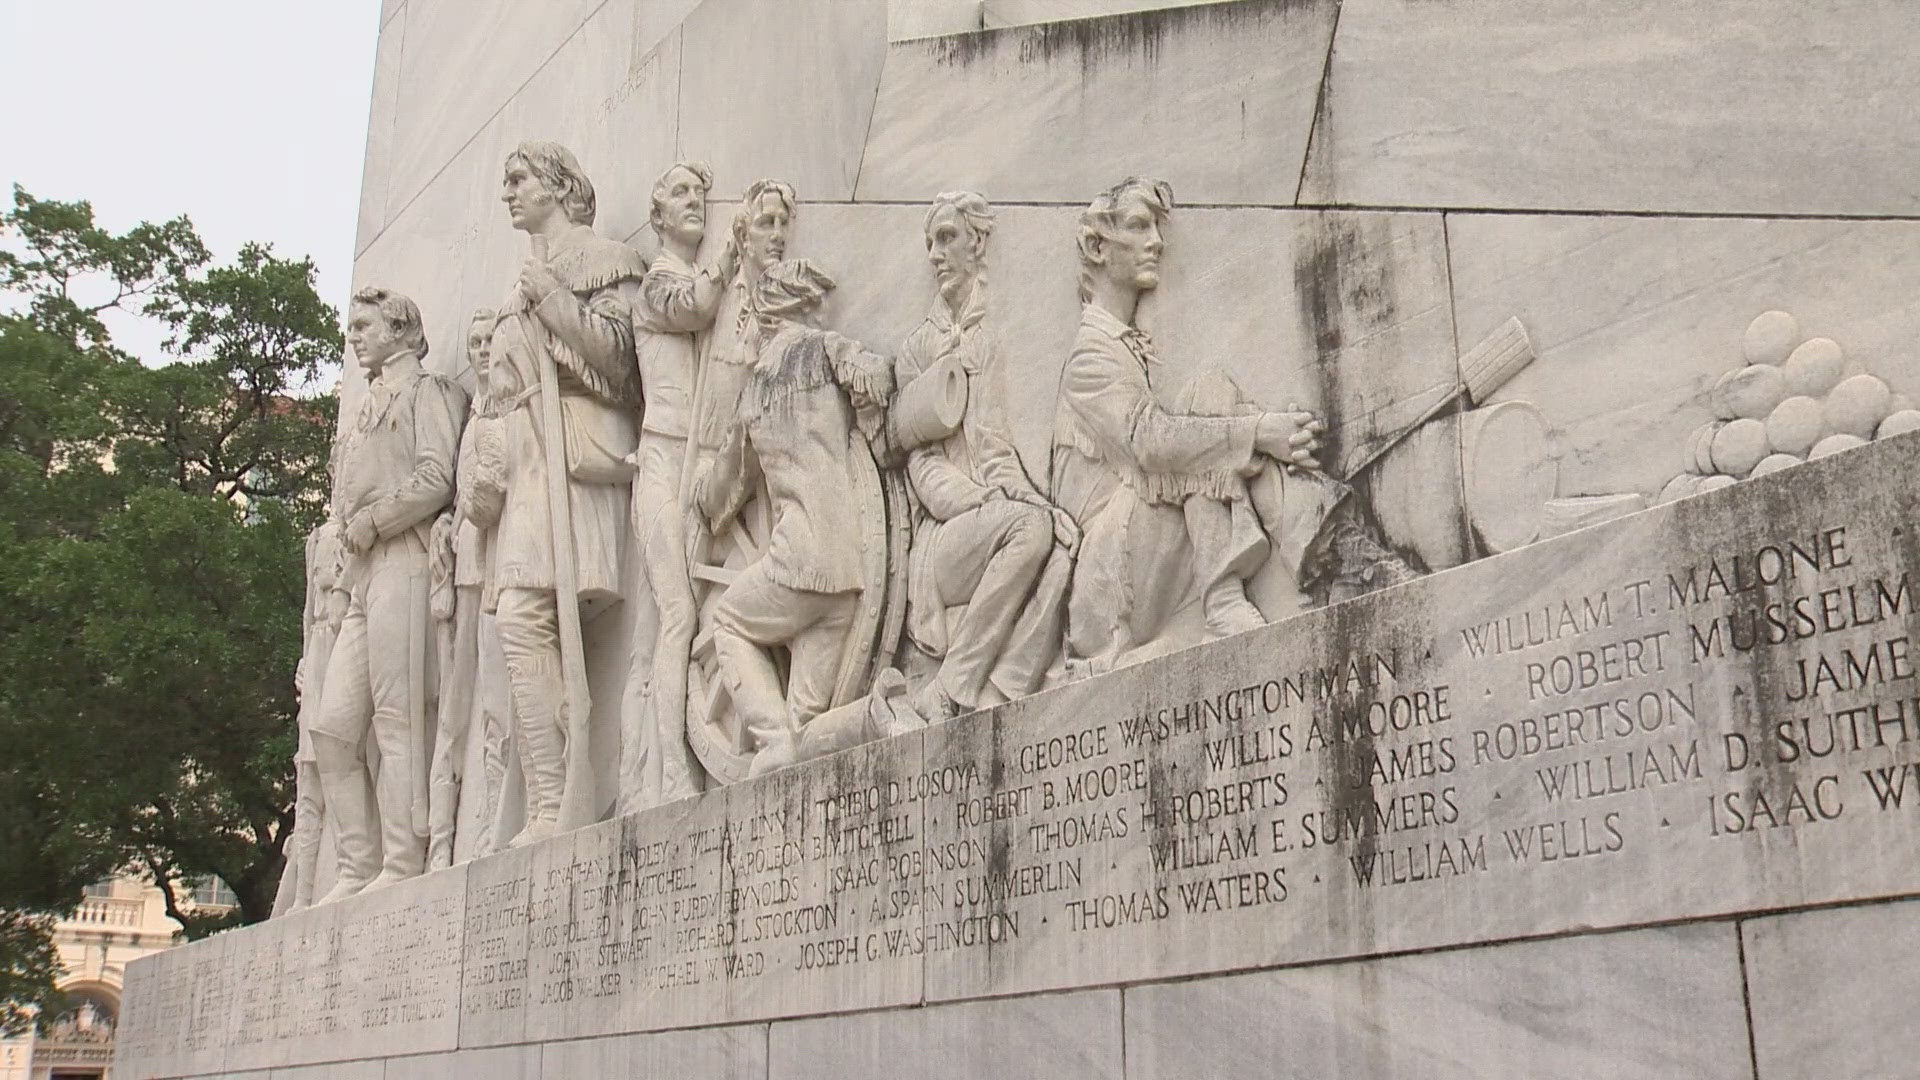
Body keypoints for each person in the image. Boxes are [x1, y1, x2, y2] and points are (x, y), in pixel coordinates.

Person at [1049, 177, 1415, 674]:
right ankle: (1259, 585)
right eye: (1138, 226)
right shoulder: (1089, 355)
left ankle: (1332, 550)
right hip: (1107, 583)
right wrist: (1263, 432)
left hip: (1154, 552)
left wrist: (1262, 434)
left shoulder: (1129, 345)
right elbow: (1150, 444)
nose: (1156, 241)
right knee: (1206, 405)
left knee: (1214, 401)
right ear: (1096, 245)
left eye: (1156, 227)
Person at [488, 140, 644, 844]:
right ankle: (551, 799)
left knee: (529, 617)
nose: (508, 193)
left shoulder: (604, 259)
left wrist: (550, 300)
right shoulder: (522, 279)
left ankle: (563, 795)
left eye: (519, 179)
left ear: (559, 184)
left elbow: (619, 362)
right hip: (524, 464)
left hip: (572, 462)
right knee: (519, 620)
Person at [690, 259, 894, 775]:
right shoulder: (827, 350)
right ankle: (853, 723)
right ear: (805, 309)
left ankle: (770, 735)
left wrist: (696, 495)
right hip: (849, 574)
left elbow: (723, 493)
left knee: (728, 621)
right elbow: (874, 376)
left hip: (795, 565)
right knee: (806, 743)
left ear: (764, 319)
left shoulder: (755, 391)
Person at [893, 191, 1075, 720]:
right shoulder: (917, 349)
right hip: (942, 541)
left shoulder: (990, 339)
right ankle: (949, 689)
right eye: (930, 242)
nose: (935, 253)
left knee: (1061, 541)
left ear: (976, 243)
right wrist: (986, 500)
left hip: (994, 511)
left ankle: (1001, 692)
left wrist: (1038, 503)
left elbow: (996, 448)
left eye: (947, 237)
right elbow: (924, 469)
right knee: (1029, 530)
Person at [311, 287, 465, 901]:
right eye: (351, 326)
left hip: (404, 556)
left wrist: (376, 519)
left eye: (364, 324)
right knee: (332, 728)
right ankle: (355, 864)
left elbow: (437, 476)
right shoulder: (367, 408)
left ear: (402, 330)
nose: (354, 335)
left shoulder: (427, 392)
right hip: (362, 574)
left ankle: (402, 860)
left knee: (398, 716)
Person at [616, 161, 736, 812]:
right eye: (680, 194)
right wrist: (733, 254)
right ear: (657, 215)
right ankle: (667, 776)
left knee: (681, 619)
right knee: (677, 615)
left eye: (700, 194)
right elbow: (694, 310)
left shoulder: (691, 275)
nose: (695, 202)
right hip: (662, 462)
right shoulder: (657, 282)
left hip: (701, 463)